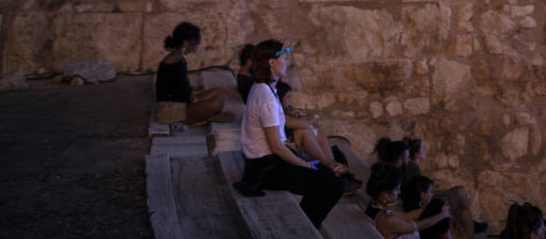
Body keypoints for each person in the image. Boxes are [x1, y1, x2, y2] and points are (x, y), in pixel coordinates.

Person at [239, 39, 343, 228]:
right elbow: (277, 147)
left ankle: (306, 224)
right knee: (333, 185)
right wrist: (304, 164)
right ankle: (305, 229)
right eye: (285, 59)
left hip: (263, 163)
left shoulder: (264, 88)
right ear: (272, 62)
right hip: (266, 169)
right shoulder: (266, 97)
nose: (287, 63)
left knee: (326, 174)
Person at [403, 137, 488, 236]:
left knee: (464, 211)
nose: (425, 151)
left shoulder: (414, 167)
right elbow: (419, 190)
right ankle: (470, 223)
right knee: (459, 192)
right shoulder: (413, 167)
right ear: (417, 154)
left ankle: (470, 222)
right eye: (423, 149)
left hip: (426, 198)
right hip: (426, 201)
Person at [155, 21, 232, 124]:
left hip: (179, 102)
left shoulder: (177, 58)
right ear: (186, 42)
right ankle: (205, 117)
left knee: (220, 92)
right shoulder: (176, 61)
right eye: (196, 41)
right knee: (215, 104)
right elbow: (184, 95)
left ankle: (205, 116)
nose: (198, 44)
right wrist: (198, 101)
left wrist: (197, 98)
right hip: (170, 111)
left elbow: (182, 91)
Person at [365, 163, 451, 239]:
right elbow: (420, 225)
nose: (400, 192)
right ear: (385, 195)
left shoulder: (374, 207)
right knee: (438, 206)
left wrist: (427, 210)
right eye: (397, 189)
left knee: (437, 206)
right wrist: (443, 215)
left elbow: (405, 216)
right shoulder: (389, 220)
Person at [401, 175, 452, 239]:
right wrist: (444, 214)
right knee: (438, 204)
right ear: (422, 195)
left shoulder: (421, 209)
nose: (433, 195)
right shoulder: (418, 211)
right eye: (431, 191)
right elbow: (425, 223)